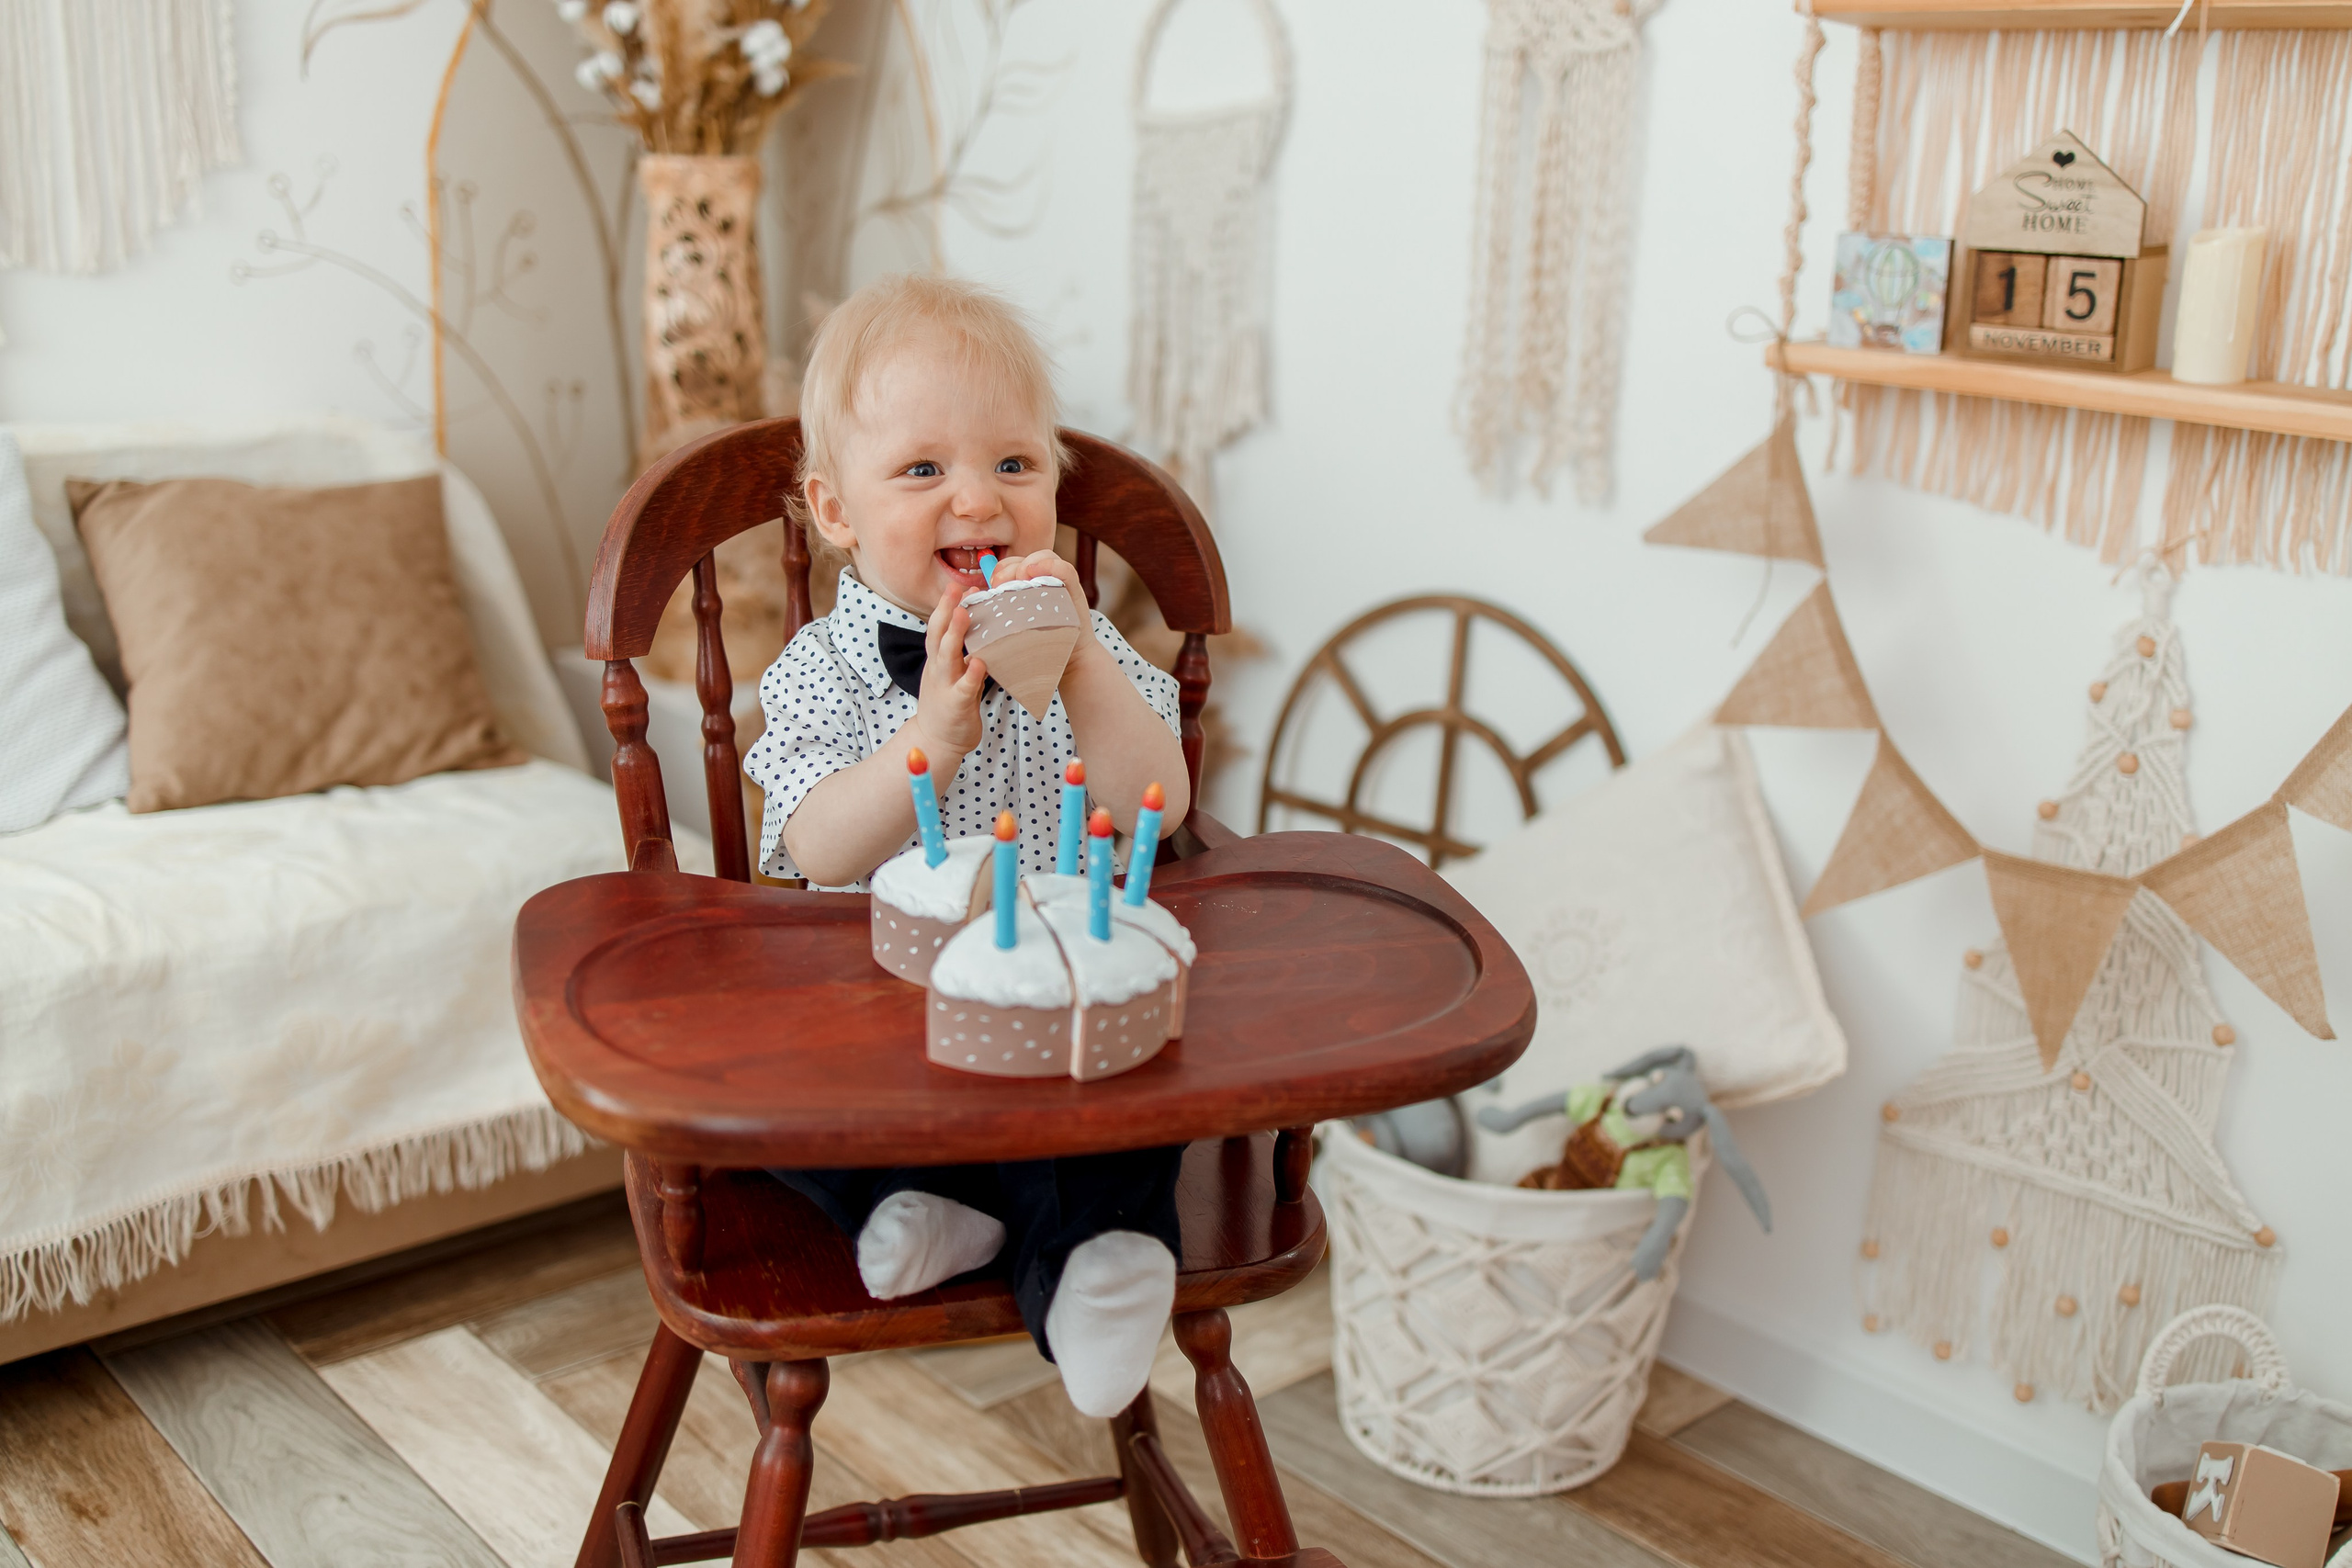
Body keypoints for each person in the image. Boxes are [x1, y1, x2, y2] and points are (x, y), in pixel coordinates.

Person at [743, 272, 1192, 1418]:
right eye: (922, 470)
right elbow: (819, 845)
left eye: (1012, 465)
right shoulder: (823, 667)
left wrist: (1082, 657)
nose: (977, 502)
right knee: (758, 1105)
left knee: (1133, 1106)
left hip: (1050, 1006)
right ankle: (919, 1199)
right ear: (836, 513)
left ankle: (1098, 1260)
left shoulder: (1083, 640)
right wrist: (931, 733)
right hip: (873, 1021)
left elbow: (1163, 800)